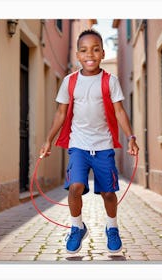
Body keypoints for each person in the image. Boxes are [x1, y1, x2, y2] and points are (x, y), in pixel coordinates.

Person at [40, 29, 139, 254]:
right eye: (84, 50)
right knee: (75, 187)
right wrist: (48, 139)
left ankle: (111, 228)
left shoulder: (110, 81)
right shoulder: (70, 82)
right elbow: (60, 113)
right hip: (78, 145)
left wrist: (131, 137)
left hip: (103, 146)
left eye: (95, 49)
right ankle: (77, 227)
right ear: (77, 55)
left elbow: (120, 112)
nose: (90, 54)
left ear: (103, 53)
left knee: (108, 193)